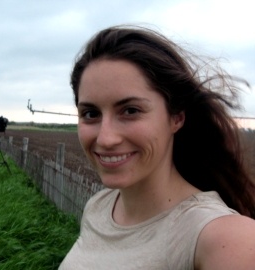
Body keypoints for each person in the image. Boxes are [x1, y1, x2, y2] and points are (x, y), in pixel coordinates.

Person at [59, 25, 255, 269]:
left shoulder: (223, 239)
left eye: (130, 111)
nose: (106, 138)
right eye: (90, 113)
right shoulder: (99, 207)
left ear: (176, 118)